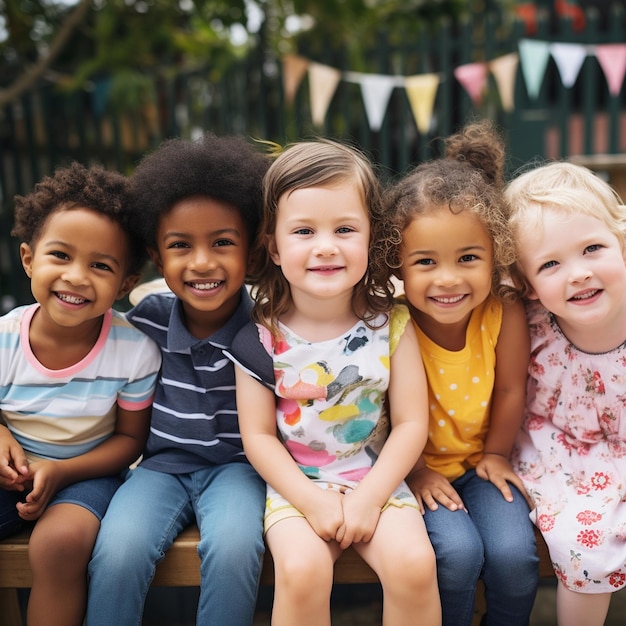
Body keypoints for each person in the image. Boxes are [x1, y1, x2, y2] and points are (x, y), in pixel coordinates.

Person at [226, 139, 441, 626]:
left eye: (345, 229)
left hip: (377, 480)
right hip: (296, 486)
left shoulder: (392, 324)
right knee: (301, 572)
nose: (326, 246)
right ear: (275, 248)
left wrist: (368, 499)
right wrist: (310, 501)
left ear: (370, 238)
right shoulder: (259, 336)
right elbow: (258, 436)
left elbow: (410, 424)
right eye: (304, 231)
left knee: (414, 565)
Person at [86, 134, 270, 626]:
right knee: (118, 551)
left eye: (222, 243)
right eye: (180, 246)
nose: (202, 262)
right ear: (158, 256)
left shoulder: (270, 332)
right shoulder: (143, 322)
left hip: (239, 470)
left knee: (234, 550)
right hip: (158, 469)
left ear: (251, 254)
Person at [384, 120, 539, 626]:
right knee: (456, 557)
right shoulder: (391, 321)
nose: (448, 279)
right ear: (397, 263)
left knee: (516, 559)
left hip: (478, 464)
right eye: (425, 261)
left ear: (497, 255)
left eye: (468, 258)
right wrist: (413, 470)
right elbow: (380, 412)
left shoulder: (504, 312)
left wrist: (495, 452)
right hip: (410, 474)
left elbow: (512, 388)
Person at [0, 162, 161, 626]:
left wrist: (61, 471)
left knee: (60, 545)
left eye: (100, 265)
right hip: (13, 470)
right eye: (60, 256)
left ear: (125, 283)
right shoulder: (6, 339)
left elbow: (130, 442)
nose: (76, 276)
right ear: (29, 259)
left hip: (87, 476)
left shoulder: (133, 350)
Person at [505, 161, 626, 626]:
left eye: (592, 248)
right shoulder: (532, 324)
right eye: (550, 264)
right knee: (584, 541)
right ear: (528, 284)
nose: (577, 273)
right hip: (564, 451)